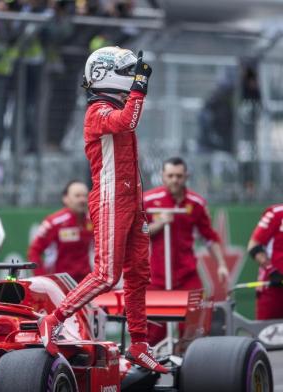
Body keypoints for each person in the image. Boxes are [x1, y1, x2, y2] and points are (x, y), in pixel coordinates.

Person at [38, 46, 168, 373]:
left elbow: (128, 119)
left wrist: (137, 87)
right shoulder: (97, 111)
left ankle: (139, 344)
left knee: (139, 272)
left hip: (131, 198)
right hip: (111, 197)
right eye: (126, 73)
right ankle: (52, 319)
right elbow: (128, 121)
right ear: (106, 75)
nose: (132, 79)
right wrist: (139, 87)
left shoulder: (110, 106)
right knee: (107, 275)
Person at [143, 157, 229, 345]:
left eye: (179, 176)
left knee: (192, 330)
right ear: (163, 177)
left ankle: (188, 366)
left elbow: (209, 237)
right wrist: (159, 224)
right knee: (153, 333)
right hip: (155, 276)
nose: (175, 180)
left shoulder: (196, 203)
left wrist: (221, 264)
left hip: (186, 274)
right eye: (171, 175)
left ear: (186, 176)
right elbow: (137, 234)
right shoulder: (148, 200)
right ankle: (150, 370)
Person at [27, 180, 93, 283]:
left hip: (86, 282)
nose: (82, 200)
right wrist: (43, 280)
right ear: (66, 199)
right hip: (60, 282)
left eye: (85, 196)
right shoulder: (54, 222)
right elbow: (34, 252)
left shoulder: (93, 220)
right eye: (77, 196)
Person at [247, 204, 283, 320]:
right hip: (273, 287)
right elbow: (253, 246)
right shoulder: (276, 213)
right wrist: (272, 271)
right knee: (265, 334)